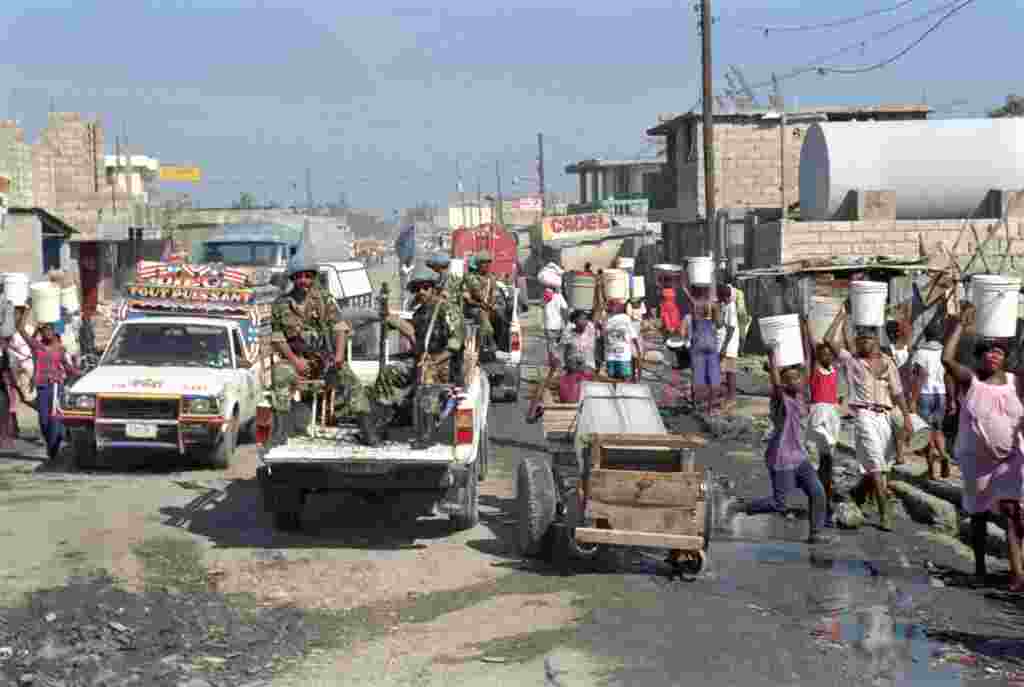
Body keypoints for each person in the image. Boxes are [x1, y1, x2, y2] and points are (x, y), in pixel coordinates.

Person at [943, 305, 1024, 588]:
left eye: (999, 351)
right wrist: (960, 327)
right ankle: (979, 570)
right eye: (988, 350)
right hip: (977, 461)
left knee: (1013, 512)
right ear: (980, 355)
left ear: (1005, 358)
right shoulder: (971, 380)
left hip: (1010, 459)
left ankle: (1017, 573)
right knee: (978, 515)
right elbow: (946, 359)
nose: (993, 355)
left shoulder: (1016, 382)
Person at [269, 242, 374, 445]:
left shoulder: (324, 300)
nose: (303, 281)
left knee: (351, 380)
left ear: (313, 277)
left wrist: (339, 356)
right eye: (299, 276)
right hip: (296, 360)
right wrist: (294, 360)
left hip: (324, 359)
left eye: (307, 276)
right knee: (280, 374)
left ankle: (368, 431)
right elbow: (278, 338)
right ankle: (280, 432)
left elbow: (340, 328)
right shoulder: (281, 305)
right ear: (292, 278)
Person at [827, 305, 915, 532]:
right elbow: (829, 340)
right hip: (864, 415)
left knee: (881, 466)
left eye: (868, 338)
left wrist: (906, 418)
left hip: (884, 417)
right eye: (860, 339)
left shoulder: (888, 363)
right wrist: (841, 317)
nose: (863, 342)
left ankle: (858, 493)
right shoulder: (851, 360)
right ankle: (885, 513)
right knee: (876, 465)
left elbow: (897, 393)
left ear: (876, 340)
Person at [739, 349, 837, 545]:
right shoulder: (780, 399)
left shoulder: (801, 398)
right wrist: (771, 357)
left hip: (800, 457)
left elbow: (808, 367)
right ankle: (740, 507)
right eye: (790, 380)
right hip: (782, 456)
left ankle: (816, 533)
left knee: (818, 492)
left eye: (797, 378)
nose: (796, 382)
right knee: (779, 504)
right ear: (784, 384)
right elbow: (775, 384)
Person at [373, 267, 463, 448]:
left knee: (425, 379)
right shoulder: (420, 312)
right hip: (421, 359)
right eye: (417, 289)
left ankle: (426, 435)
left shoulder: (447, 309)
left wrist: (434, 361)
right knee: (389, 373)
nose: (421, 292)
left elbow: (456, 343)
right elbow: (413, 334)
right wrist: (390, 318)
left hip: (445, 363)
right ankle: (384, 421)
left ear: (433, 288)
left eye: (425, 287)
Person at [16, 312, 77, 461]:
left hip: (57, 387)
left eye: (50, 330)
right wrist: (25, 311)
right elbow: (21, 330)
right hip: (42, 388)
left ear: (54, 332)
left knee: (55, 419)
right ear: (42, 333)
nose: (48, 333)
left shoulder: (60, 348)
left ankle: (53, 450)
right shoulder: (37, 346)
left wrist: (79, 373)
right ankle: (52, 444)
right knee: (43, 421)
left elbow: (67, 367)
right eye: (45, 331)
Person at [803, 312, 844, 528]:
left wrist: (841, 320)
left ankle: (824, 505)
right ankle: (818, 502)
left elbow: (836, 345)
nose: (828, 356)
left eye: (830, 354)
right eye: (824, 354)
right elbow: (811, 346)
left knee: (828, 464)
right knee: (818, 462)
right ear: (819, 357)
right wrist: (808, 324)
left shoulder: (835, 369)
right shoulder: (815, 369)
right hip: (818, 414)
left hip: (832, 415)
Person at [912, 320, 952, 480]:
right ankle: (943, 455)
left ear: (925, 335)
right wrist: (951, 398)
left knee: (926, 433)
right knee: (938, 429)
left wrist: (913, 399)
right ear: (940, 335)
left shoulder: (921, 352)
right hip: (941, 394)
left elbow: (921, 376)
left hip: (925, 395)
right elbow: (948, 376)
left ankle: (931, 472)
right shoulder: (945, 352)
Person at [681, 281, 722, 416]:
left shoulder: (695, 308)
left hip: (698, 344)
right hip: (711, 344)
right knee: (713, 379)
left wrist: (685, 285)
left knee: (697, 377)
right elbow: (720, 324)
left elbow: (689, 298)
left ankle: (695, 407)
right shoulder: (713, 307)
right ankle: (710, 409)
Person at [463, 250, 498, 354]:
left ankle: (500, 343)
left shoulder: (491, 278)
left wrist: (491, 304)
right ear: (477, 264)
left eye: (488, 262)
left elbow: (494, 294)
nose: (486, 265)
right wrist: (480, 304)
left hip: (487, 307)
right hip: (472, 309)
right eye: (483, 262)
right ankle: (488, 343)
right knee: (482, 314)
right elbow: (467, 299)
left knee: (499, 314)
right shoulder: (470, 278)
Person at [603, 300, 640, 381]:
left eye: (614, 305)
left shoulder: (625, 318)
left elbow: (633, 335)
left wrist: (637, 350)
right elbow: (603, 336)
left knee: (625, 377)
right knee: (611, 378)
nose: (611, 307)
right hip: (611, 356)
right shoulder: (606, 318)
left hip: (623, 356)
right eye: (610, 305)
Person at [717, 284, 739, 411]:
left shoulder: (730, 306)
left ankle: (731, 398)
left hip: (729, 345)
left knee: (730, 372)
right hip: (726, 343)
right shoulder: (724, 305)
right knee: (725, 371)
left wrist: (724, 347)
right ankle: (726, 396)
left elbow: (731, 328)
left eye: (720, 296)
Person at [543, 285, 569, 366]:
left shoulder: (545, 295)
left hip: (548, 324)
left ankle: (553, 361)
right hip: (558, 324)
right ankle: (555, 359)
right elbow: (565, 307)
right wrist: (565, 321)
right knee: (556, 344)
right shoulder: (559, 296)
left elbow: (541, 305)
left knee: (550, 344)